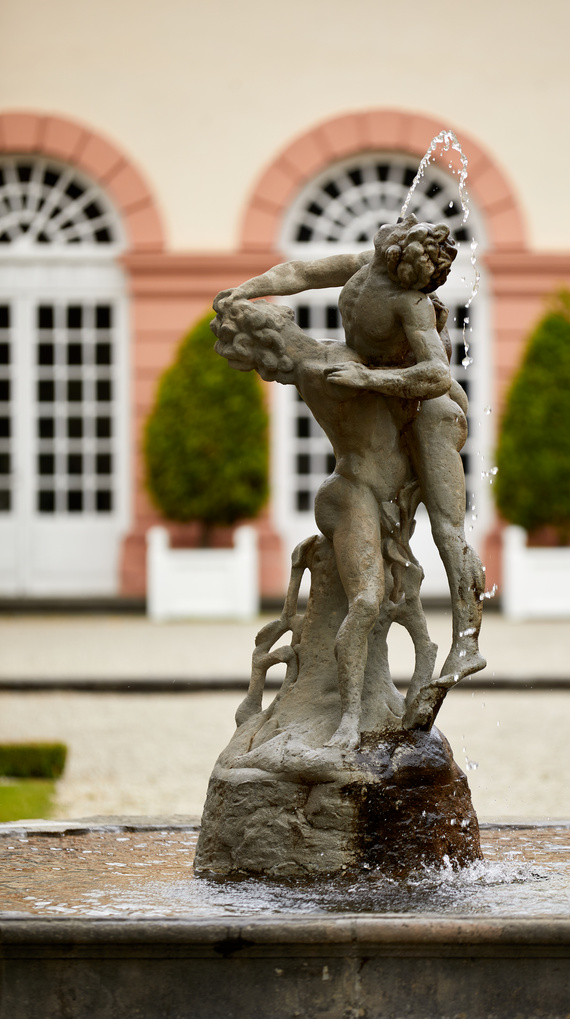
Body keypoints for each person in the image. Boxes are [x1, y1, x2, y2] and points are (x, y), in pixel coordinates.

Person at [213, 216, 486, 682]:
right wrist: (245, 291)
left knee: (447, 526)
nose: (387, 235)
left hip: (431, 410)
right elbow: (299, 274)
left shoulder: (410, 302)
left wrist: (368, 378)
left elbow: (439, 375)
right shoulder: (366, 266)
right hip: (382, 396)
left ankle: (467, 643)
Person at [212, 298, 442, 749]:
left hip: (380, 495)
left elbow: (433, 378)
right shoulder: (318, 367)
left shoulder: (326, 367)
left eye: (258, 363)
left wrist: (372, 376)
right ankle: (350, 718)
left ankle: (411, 683)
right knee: (368, 601)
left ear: (271, 344)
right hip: (352, 495)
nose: (265, 375)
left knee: (400, 595)